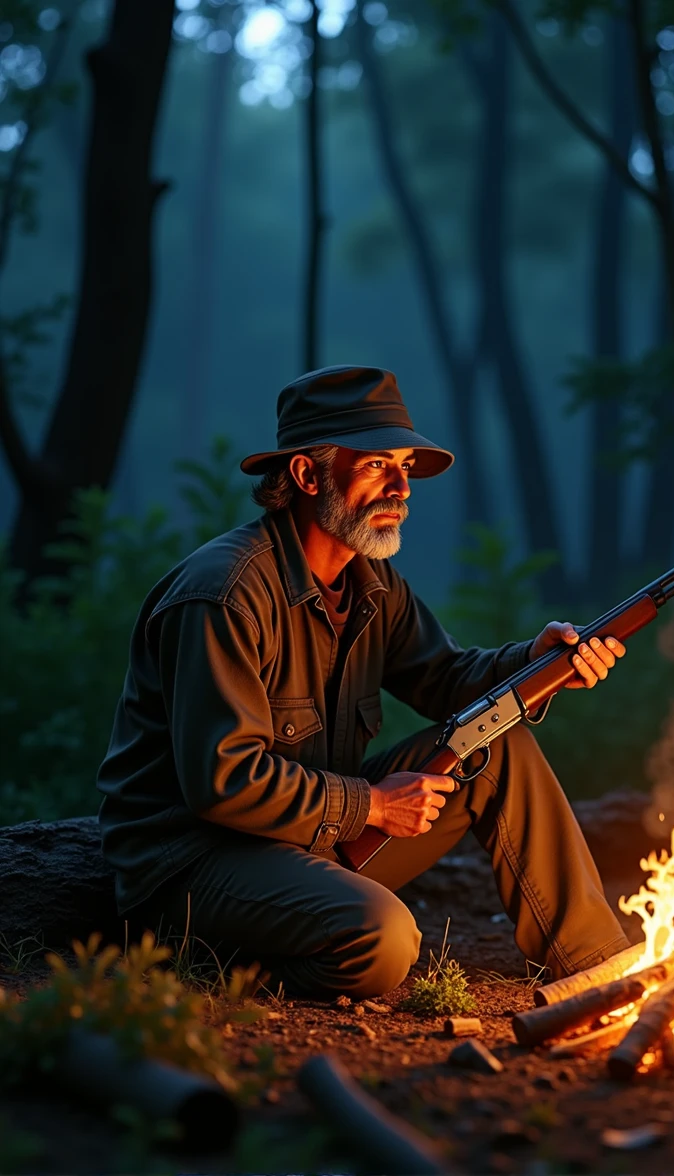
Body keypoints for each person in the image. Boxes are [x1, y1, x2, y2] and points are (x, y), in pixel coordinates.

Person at [97, 365, 631, 999]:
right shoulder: (226, 594)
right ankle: (206, 968)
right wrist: (374, 805)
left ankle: (602, 969)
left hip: (311, 841)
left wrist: (541, 664)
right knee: (382, 938)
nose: (403, 486)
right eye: (380, 465)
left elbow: (447, 680)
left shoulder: (372, 582)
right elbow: (225, 781)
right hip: (194, 861)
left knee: (494, 747)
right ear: (306, 474)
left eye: (406, 466)